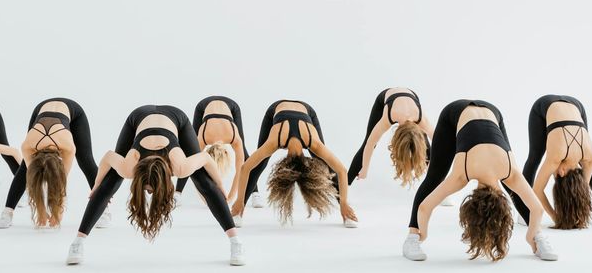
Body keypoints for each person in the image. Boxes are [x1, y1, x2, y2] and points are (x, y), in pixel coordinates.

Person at [66, 104, 245, 266]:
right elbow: (108, 157)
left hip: (176, 118)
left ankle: (236, 242)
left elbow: (206, 158)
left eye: (147, 190)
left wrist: (220, 186)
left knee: (203, 180)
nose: (149, 194)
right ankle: (78, 242)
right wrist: (96, 186)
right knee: (110, 180)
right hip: (138, 117)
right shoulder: (130, 166)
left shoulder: (180, 166)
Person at [402, 99, 557, 262]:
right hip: (456, 113)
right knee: (435, 177)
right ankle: (412, 238)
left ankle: (539, 238)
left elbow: (537, 210)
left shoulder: (508, 171)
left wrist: (424, 233)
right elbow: (425, 208)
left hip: (492, 112)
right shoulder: (463, 175)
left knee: (515, 190)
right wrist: (530, 235)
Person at [230, 100, 358, 228]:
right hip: (276, 110)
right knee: (260, 164)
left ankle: (238, 209)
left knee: (326, 166)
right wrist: (239, 201)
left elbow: (245, 167)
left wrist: (238, 199)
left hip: (306, 112)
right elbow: (341, 170)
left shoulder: (289, 141)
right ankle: (240, 208)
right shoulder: (300, 142)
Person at [0, 98, 105, 229]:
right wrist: (41, 211)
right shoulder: (27, 146)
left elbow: (62, 183)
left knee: (86, 161)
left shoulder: (68, 147)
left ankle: (103, 210)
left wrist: (58, 211)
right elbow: (32, 180)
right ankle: (7, 212)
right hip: (41, 109)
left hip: (74, 111)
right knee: (25, 168)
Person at [513, 94, 592, 229]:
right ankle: (525, 210)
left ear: (561, 172)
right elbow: (537, 190)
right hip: (544, 105)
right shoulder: (557, 157)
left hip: (577, 105)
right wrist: (554, 216)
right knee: (535, 157)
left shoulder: (589, 158)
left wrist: (575, 211)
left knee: (586, 164)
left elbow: (582, 191)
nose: (553, 173)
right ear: (562, 172)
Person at [174, 95, 264, 208]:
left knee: (245, 155)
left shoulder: (232, 137)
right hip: (203, 107)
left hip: (231, 107)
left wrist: (229, 197)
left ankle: (255, 193)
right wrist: (209, 199)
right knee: (190, 153)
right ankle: (177, 193)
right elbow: (193, 169)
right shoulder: (204, 137)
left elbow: (241, 169)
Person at [347, 88, 434, 187]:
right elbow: (370, 144)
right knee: (368, 140)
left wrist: (433, 170)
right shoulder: (388, 117)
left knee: (424, 144)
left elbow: (439, 143)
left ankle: (437, 186)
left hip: (410, 97)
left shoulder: (420, 118)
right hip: (386, 98)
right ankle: (343, 186)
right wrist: (364, 169)